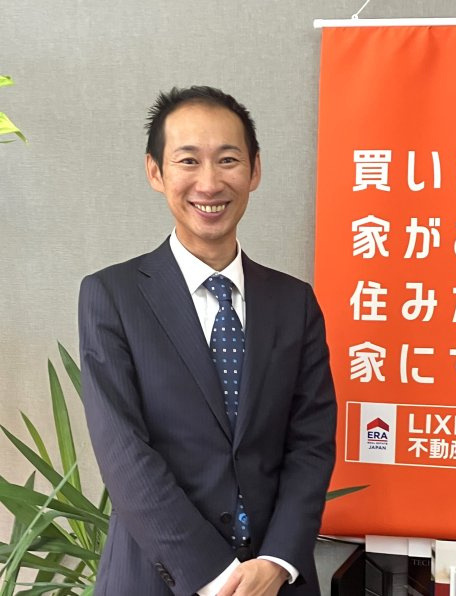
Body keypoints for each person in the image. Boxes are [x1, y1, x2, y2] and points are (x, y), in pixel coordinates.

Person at [78, 86, 337, 596]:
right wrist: (218, 578)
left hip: (274, 581)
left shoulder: (294, 302)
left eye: (228, 160)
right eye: (188, 161)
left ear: (254, 170)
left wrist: (277, 562)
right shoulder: (112, 296)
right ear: (156, 172)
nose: (210, 182)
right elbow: (123, 451)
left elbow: (311, 443)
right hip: (155, 579)